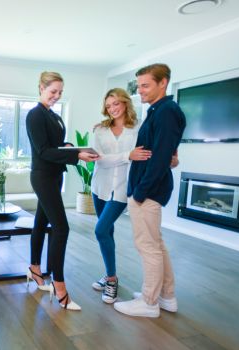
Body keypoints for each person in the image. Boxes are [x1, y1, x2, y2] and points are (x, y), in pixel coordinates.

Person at [113, 63, 186, 318]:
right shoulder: (160, 111)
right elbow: (163, 153)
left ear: (163, 82)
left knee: (148, 246)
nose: (140, 90)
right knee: (156, 244)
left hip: (148, 190)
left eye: (145, 85)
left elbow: (160, 158)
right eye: (139, 85)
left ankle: (149, 302)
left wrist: (140, 192)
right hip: (149, 188)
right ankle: (166, 296)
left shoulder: (166, 112)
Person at [26, 71, 99, 311]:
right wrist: (75, 154)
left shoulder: (53, 116)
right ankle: (59, 286)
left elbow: (55, 146)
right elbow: (44, 151)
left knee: (40, 222)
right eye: (52, 91)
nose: (56, 96)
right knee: (62, 227)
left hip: (55, 176)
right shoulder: (35, 115)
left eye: (60, 92)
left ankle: (35, 270)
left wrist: (68, 147)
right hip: (43, 176)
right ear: (41, 88)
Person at [90, 88, 151, 304]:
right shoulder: (100, 130)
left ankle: (112, 280)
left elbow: (144, 155)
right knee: (108, 231)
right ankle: (108, 273)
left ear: (125, 103)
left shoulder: (139, 128)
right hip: (100, 186)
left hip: (123, 188)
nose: (112, 109)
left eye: (116, 103)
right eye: (108, 106)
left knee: (100, 230)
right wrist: (128, 155)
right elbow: (99, 159)